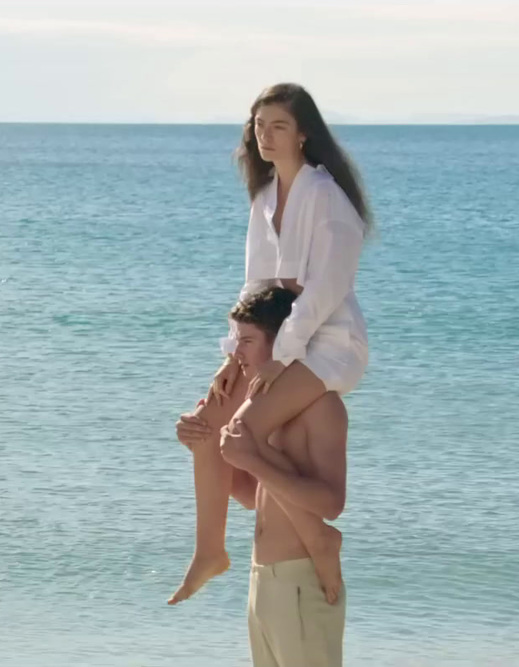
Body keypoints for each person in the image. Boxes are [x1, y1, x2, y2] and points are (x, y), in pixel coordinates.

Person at [170, 82, 371, 605]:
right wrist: (233, 356)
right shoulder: (263, 200)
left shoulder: (327, 200)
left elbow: (324, 291)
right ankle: (210, 550)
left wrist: (281, 357)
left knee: (243, 429)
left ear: (304, 133)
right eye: (259, 126)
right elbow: (254, 291)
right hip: (279, 343)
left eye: (278, 125)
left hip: (327, 347)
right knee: (210, 418)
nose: (266, 135)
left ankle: (319, 540)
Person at [176, 286, 348, 666]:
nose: (236, 354)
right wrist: (205, 447)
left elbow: (331, 503)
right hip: (264, 579)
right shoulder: (263, 412)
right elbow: (255, 496)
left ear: (282, 344)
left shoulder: (322, 406)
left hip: (302, 582)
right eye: (236, 340)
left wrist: (253, 457)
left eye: (247, 341)